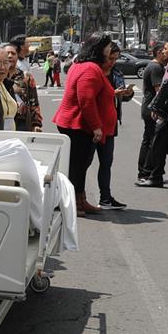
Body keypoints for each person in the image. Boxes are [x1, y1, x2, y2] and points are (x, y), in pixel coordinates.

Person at [51, 33, 119, 216]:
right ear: (99, 48)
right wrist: (97, 126)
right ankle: (70, 204)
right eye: (107, 46)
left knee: (80, 166)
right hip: (77, 125)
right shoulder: (89, 68)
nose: (109, 50)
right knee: (77, 167)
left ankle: (79, 201)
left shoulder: (84, 65)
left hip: (77, 124)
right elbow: (86, 100)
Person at [139, 40, 168, 187]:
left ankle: (151, 173)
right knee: (156, 142)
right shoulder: (164, 67)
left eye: (166, 48)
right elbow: (160, 91)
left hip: (167, 111)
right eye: (163, 49)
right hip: (159, 110)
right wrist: (156, 107)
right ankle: (150, 173)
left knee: (159, 143)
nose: (164, 51)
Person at [96, 62, 135, 210]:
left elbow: (122, 98)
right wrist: (113, 93)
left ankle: (105, 198)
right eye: (110, 57)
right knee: (83, 163)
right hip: (93, 123)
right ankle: (78, 197)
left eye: (115, 58)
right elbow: (90, 96)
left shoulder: (117, 72)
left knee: (106, 162)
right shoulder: (94, 70)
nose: (112, 61)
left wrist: (127, 93)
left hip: (110, 122)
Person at [134, 42, 168, 187]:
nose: (166, 54)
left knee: (149, 140)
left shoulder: (156, 66)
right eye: (164, 51)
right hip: (152, 110)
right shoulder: (156, 67)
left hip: (149, 108)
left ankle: (145, 171)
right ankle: (144, 172)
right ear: (159, 53)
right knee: (150, 142)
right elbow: (158, 90)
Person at [9, 44, 43, 132]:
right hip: (1, 122)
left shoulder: (26, 77)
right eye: (7, 53)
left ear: (17, 56)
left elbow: (34, 102)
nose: (10, 56)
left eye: (13, 53)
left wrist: (36, 123)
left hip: (22, 123)